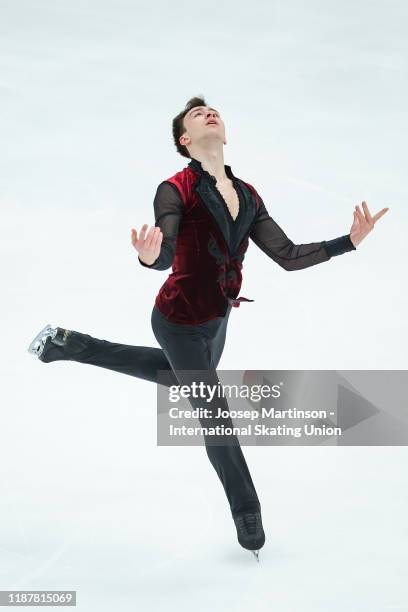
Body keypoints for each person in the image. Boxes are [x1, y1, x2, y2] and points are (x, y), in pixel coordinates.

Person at [28, 95, 389, 561]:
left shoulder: (250, 195)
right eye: (197, 115)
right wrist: (149, 257)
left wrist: (349, 242)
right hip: (177, 321)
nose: (209, 114)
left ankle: (71, 345)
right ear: (186, 139)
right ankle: (247, 511)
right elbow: (164, 250)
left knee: (177, 377)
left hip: (218, 320)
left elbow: (288, 256)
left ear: (225, 133)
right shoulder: (174, 188)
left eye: (213, 112)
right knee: (215, 414)